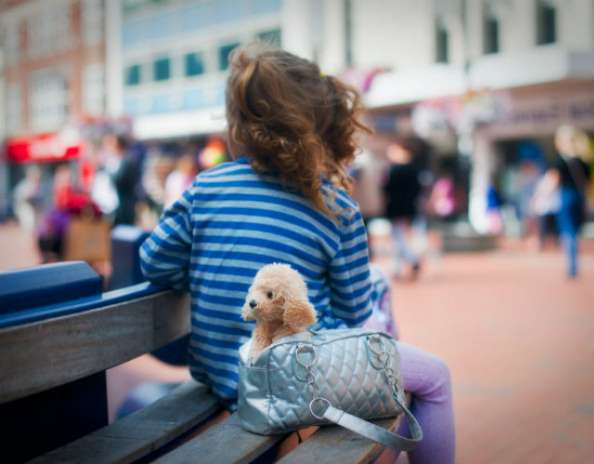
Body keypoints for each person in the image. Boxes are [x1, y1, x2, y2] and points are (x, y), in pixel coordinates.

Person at [139, 44, 454, 464]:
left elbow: (153, 262)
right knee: (434, 378)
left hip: (222, 377)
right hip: (301, 381)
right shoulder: (334, 205)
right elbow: (355, 313)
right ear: (317, 126)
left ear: (236, 127)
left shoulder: (206, 188)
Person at [543, 125, 592, 278]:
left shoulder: (559, 161)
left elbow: (552, 181)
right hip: (580, 197)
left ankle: (572, 267)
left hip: (566, 197)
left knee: (568, 232)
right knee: (575, 233)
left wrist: (541, 197)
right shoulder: (584, 161)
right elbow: (589, 185)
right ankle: (575, 264)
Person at [383, 140, 422, 280]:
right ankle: (397, 268)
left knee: (398, 238)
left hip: (397, 209)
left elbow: (387, 190)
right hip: (408, 209)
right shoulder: (414, 169)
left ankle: (411, 260)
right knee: (399, 238)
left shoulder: (395, 170)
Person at [102, 134, 139, 226]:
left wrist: (107, 173)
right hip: (114, 206)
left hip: (124, 207)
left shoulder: (127, 160)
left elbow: (120, 179)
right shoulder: (115, 160)